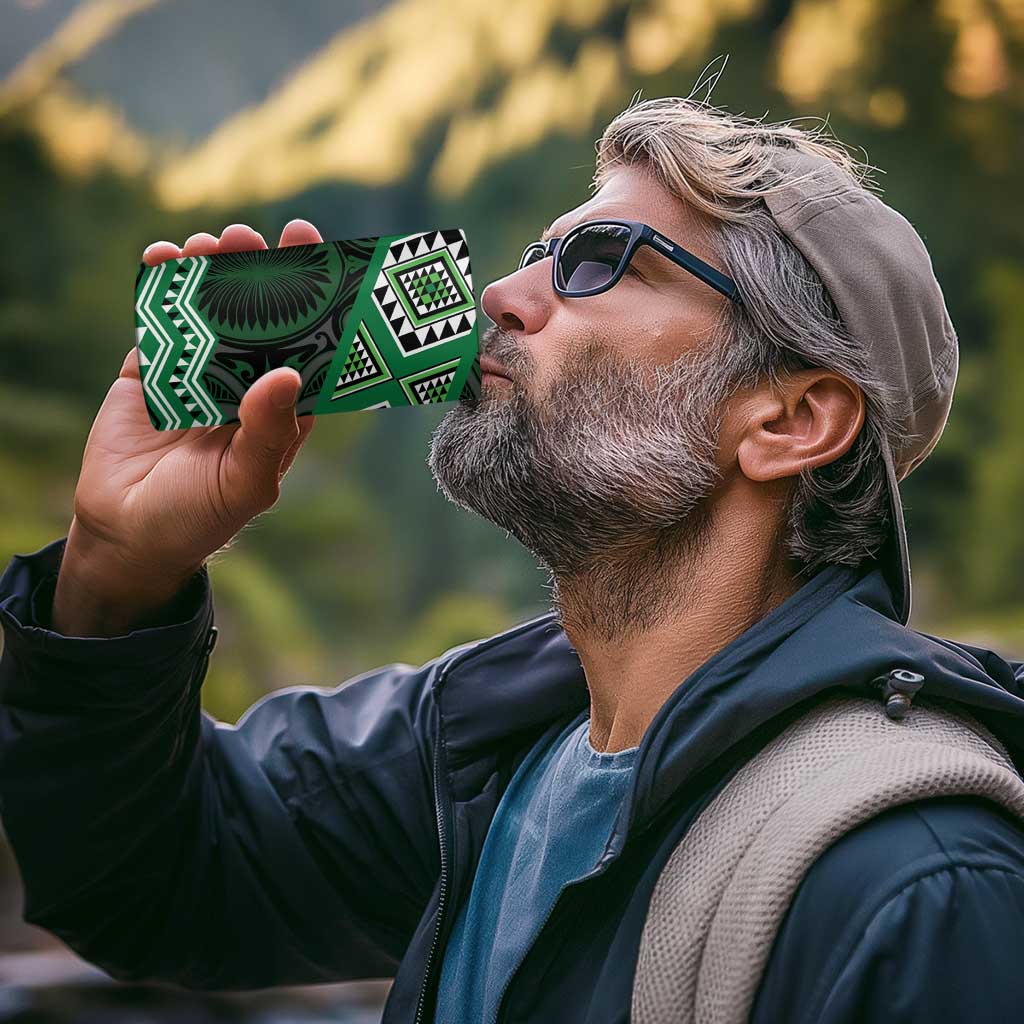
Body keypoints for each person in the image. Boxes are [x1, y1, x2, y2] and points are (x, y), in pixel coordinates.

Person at [2, 95, 1024, 1024]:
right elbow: (149, 880)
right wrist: (116, 571)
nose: (502, 291)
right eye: (539, 252)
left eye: (599, 261)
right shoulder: (478, 749)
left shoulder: (918, 884)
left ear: (791, 419)